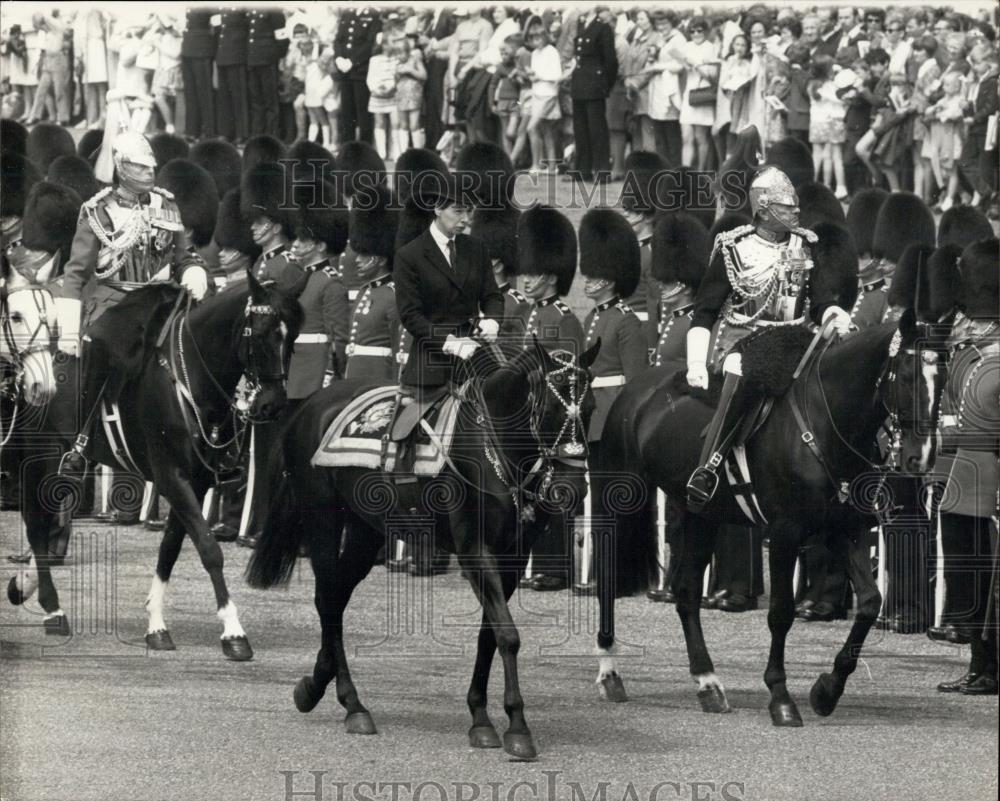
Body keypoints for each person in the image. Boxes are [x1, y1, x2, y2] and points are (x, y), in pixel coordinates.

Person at [684, 167, 853, 509]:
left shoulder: (806, 246)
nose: (796, 212)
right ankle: (709, 465)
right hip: (743, 339)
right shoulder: (733, 248)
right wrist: (695, 362)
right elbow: (704, 311)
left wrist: (835, 315)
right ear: (762, 208)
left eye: (795, 206)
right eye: (787, 206)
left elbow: (819, 303)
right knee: (743, 374)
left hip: (795, 341)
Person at [55, 131, 209, 475]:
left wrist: (194, 271)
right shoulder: (98, 211)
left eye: (151, 166)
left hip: (158, 301)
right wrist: (69, 328)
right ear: (122, 167)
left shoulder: (166, 205)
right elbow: (76, 273)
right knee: (102, 351)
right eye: (140, 166)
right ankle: (82, 439)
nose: (149, 172)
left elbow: (184, 255)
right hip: (114, 303)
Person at [931, 238, 998, 695]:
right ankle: (979, 662)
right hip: (957, 467)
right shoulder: (960, 328)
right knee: (965, 570)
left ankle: (991, 665)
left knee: (989, 572)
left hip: (988, 469)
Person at [513, 205, 582, 592]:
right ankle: (534, 561)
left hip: (551, 419)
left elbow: (564, 377)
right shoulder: (531, 314)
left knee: (551, 488)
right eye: (524, 270)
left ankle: (555, 567)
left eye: (534, 272)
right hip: (525, 414)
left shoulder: (564, 318)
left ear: (552, 276)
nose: (526, 279)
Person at [287, 181, 350, 403]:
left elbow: (339, 340)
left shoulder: (331, 284)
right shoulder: (300, 277)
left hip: (314, 374)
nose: (294, 245)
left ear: (320, 246)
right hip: (293, 370)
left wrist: (330, 378)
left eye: (302, 240)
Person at [343, 183, 402, 383]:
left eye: (365, 255)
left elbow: (398, 349)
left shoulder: (393, 296)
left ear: (382, 258)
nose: (357, 260)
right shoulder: (364, 291)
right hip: (354, 376)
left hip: (379, 379)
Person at [569, 6, 618, 182]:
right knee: (580, 129)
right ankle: (583, 169)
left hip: (595, 85)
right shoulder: (581, 26)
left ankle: (601, 171)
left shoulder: (603, 28)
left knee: (597, 130)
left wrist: (605, 85)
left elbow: (611, 61)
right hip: (579, 84)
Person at [679, 16, 718, 171]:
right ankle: (684, 172)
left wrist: (696, 65)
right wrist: (685, 63)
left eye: (699, 31)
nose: (696, 34)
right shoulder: (687, 46)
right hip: (689, 93)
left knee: (700, 138)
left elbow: (712, 75)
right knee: (686, 137)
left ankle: (700, 172)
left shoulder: (711, 47)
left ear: (705, 31)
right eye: (692, 31)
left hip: (703, 94)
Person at [246, 8, 288, 139]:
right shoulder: (251, 10)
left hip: (268, 60)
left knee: (270, 101)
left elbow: (282, 39)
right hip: (253, 60)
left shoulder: (274, 11)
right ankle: (257, 135)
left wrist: (276, 57)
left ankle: (271, 136)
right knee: (256, 101)